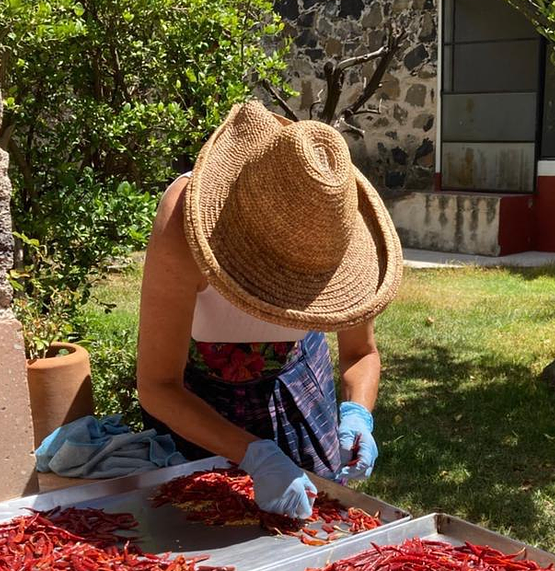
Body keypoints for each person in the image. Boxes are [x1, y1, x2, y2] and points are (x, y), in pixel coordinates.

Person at [137, 100, 403, 519]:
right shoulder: (181, 223)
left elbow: (359, 352)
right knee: (201, 520)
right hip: (198, 399)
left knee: (312, 521)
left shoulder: (332, 226)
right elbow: (159, 386)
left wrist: (357, 414)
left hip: (297, 380)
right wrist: (254, 454)